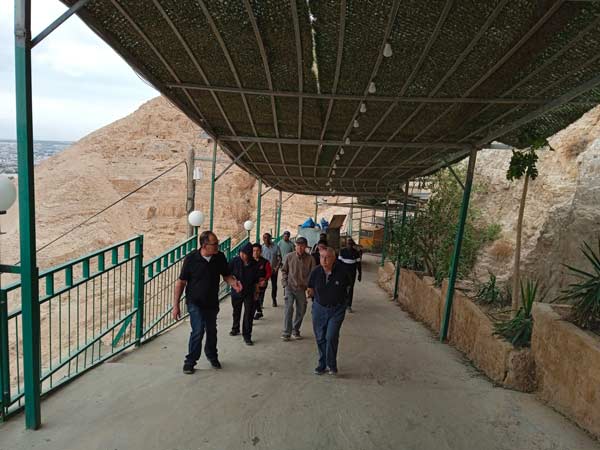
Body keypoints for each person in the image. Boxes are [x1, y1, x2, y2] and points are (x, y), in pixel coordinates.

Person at [173, 230, 242, 374]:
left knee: (211, 330)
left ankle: (212, 355)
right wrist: (176, 306)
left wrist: (234, 283)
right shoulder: (191, 259)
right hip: (194, 302)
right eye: (215, 244)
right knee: (198, 330)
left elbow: (226, 275)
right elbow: (181, 282)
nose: (218, 246)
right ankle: (190, 361)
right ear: (204, 245)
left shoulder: (219, 257)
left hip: (211, 302)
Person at [308, 246, 352, 376]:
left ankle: (331, 364)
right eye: (322, 257)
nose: (324, 260)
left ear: (334, 258)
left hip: (336, 309)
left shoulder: (342, 272)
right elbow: (310, 287)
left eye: (327, 257)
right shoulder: (316, 272)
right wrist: (310, 293)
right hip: (319, 308)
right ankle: (322, 364)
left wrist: (343, 303)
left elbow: (348, 288)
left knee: (331, 336)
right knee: (320, 337)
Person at [280, 236, 315, 341]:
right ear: (295, 246)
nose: (300, 248)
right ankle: (286, 332)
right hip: (290, 287)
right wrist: (285, 282)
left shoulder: (310, 259)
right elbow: (284, 270)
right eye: (298, 245)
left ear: (306, 247)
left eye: (302, 246)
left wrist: (310, 287)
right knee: (288, 309)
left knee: (301, 310)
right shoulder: (289, 257)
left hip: (302, 289)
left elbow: (313, 275)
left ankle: (295, 330)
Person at [228, 242, 261, 346]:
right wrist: (233, 281)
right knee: (236, 311)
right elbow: (227, 274)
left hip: (249, 292)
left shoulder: (255, 264)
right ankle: (235, 328)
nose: (242, 255)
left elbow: (256, 280)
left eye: (244, 253)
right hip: (236, 291)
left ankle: (247, 335)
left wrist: (257, 292)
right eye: (241, 252)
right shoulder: (235, 261)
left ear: (249, 254)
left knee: (248, 314)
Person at [338, 238, 362, 313]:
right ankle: (341, 303)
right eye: (348, 244)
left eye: (351, 244)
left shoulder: (356, 253)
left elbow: (359, 264)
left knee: (351, 288)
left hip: (352, 273)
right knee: (342, 288)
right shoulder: (342, 251)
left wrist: (360, 274)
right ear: (346, 244)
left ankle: (349, 305)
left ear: (353, 245)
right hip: (343, 273)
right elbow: (339, 263)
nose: (350, 245)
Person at [261, 233, 281, 308]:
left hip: (273, 270)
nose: (265, 239)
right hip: (265, 271)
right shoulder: (262, 248)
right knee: (263, 285)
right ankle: (261, 302)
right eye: (264, 238)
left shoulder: (276, 247)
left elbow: (279, 258)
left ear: (270, 239)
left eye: (267, 238)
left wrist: (277, 267)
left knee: (274, 285)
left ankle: (274, 299)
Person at [252, 243, 272, 320]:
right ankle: (259, 312)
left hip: (261, 283)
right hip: (252, 283)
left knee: (256, 298)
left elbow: (269, 273)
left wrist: (265, 280)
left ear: (260, 251)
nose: (255, 252)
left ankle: (252, 315)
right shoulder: (249, 261)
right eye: (254, 251)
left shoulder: (265, 262)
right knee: (254, 298)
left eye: (257, 250)